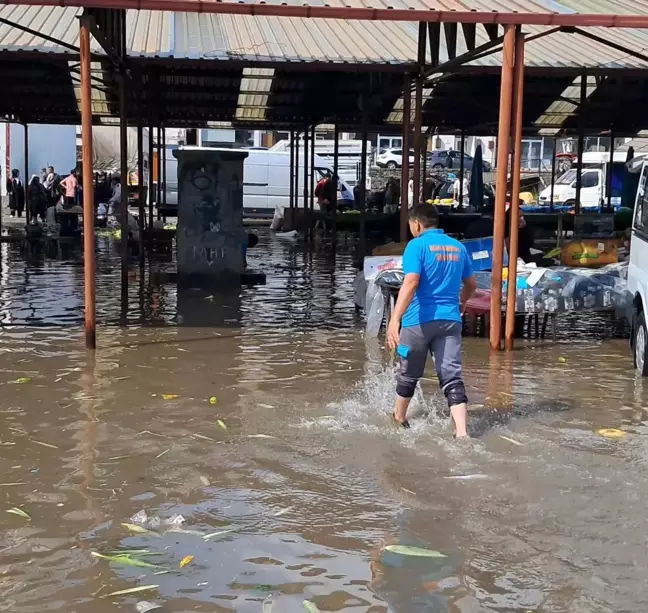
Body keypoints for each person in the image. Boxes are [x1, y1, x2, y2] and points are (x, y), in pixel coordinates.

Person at [386, 204, 477, 438]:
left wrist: (395, 318)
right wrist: (462, 303)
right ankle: (462, 432)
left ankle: (399, 419)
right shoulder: (458, 247)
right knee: (451, 376)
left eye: (410, 226)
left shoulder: (416, 246)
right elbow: (471, 285)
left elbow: (412, 281)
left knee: (408, 373)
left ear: (416, 224)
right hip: (450, 321)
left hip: (418, 320)